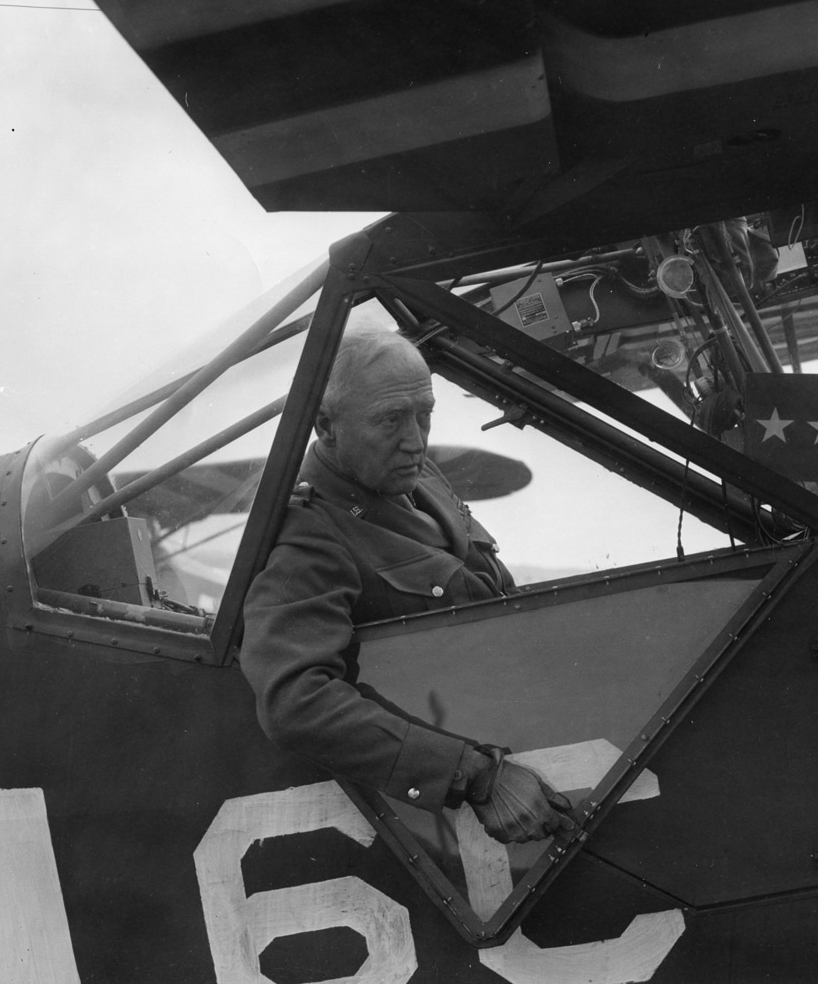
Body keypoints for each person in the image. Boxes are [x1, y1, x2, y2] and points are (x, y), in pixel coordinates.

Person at [240, 327, 574, 845]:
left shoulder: (408, 475)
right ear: (326, 426)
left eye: (425, 412)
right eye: (391, 419)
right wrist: (475, 776)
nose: (416, 440)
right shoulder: (306, 534)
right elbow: (294, 700)